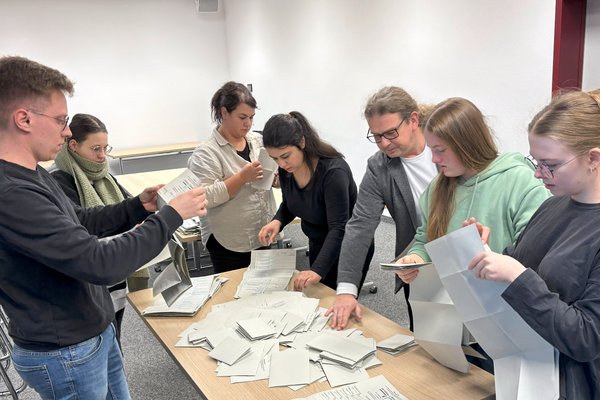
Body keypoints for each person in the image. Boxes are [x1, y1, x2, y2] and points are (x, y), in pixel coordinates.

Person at [0, 56, 207, 399]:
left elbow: (79, 221)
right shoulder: (12, 194)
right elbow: (99, 262)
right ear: (23, 119)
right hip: (65, 351)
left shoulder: (33, 172)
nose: (66, 131)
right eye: (60, 120)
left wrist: (136, 206)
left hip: (92, 332)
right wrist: (170, 218)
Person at [393, 97, 550, 372]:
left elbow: (540, 256)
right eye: (431, 150)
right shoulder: (437, 188)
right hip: (450, 322)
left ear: (467, 144)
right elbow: (424, 239)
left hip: (503, 323)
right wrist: (414, 259)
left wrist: (488, 252)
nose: (434, 159)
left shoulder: (518, 181)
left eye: (440, 150)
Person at [468, 89, 600, 399]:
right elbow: (520, 266)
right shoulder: (552, 205)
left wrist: (517, 276)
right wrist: (487, 256)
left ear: (593, 158)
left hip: (569, 386)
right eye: (535, 161)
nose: (539, 174)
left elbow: (586, 338)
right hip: (523, 372)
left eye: (550, 164)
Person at [326, 86, 439, 331]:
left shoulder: (445, 146)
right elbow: (360, 226)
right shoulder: (380, 167)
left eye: (390, 133)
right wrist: (346, 290)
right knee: (429, 341)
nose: (384, 143)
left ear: (413, 120)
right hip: (418, 267)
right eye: (377, 136)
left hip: (465, 260)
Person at [51, 113, 149, 348]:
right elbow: (87, 225)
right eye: (95, 149)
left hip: (115, 276)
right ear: (73, 145)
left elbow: (122, 210)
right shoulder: (59, 181)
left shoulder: (104, 175)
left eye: (105, 148)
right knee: (100, 344)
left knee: (114, 339)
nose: (102, 156)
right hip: (90, 283)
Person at [257, 112, 375, 291]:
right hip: (320, 241)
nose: (281, 164)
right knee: (319, 298)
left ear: (302, 142)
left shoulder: (333, 172)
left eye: (286, 155)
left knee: (338, 301)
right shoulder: (287, 170)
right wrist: (277, 221)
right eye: (275, 159)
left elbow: (339, 228)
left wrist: (317, 270)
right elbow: (291, 203)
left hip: (349, 245)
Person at [188, 81, 276, 273]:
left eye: (252, 117)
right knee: (232, 295)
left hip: (261, 229)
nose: (248, 124)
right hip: (227, 239)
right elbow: (204, 197)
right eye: (242, 117)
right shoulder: (206, 153)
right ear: (224, 113)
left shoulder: (258, 141)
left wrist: (276, 179)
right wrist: (242, 177)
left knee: (264, 292)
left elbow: (270, 177)